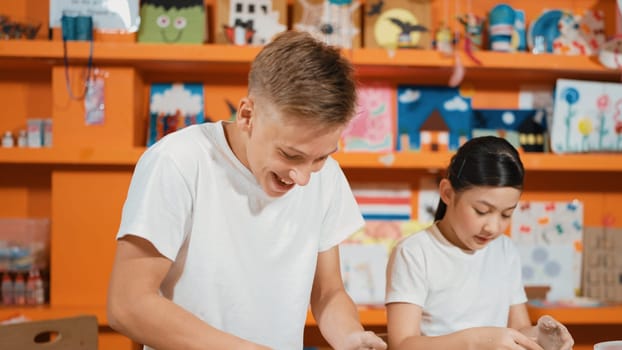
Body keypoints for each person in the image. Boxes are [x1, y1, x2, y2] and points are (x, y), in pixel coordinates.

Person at [106, 30, 387, 350]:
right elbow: (128, 305)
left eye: (321, 156)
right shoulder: (178, 161)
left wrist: (350, 336)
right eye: (290, 155)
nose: (304, 177)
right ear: (247, 116)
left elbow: (328, 292)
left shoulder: (327, 177)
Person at [385, 136, 574, 350]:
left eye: (506, 214)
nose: (492, 227)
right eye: (481, 211)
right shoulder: (414, 253)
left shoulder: (505, 250)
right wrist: (475, 341)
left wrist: (541, 336)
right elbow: (402, 344)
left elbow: (519, 329)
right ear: (447, 193)